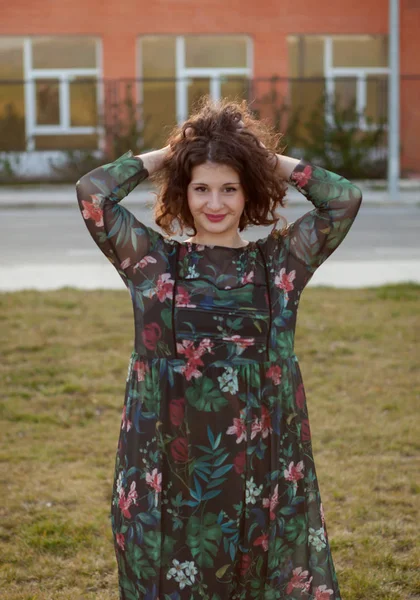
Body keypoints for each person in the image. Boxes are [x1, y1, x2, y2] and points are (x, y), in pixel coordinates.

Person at [76, 97, 362, 600]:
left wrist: (257, 156)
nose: (215, 203)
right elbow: (93, 195)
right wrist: (175, 152)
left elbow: (343, 199)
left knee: (254, 569)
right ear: (182, 194)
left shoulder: (278, 267)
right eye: (201, 188)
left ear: (247, 191)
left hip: (259, 463)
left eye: (229, 188)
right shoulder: (155, 265)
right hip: (167, 460)